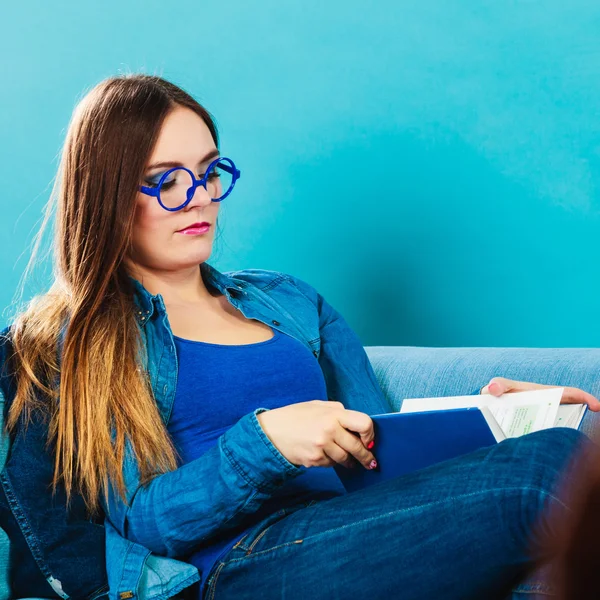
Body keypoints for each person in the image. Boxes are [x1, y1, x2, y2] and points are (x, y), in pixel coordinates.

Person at [0, 73, 598, 600]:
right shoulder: (82, 339)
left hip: (355, 523)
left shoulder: (288, 298)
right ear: (108, 196)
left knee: (564, 452)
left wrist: (487, 418)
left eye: (210, 172)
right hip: (238, 563)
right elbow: (140, 520)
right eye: (168, 182)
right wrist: (266, 445)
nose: (202, 198)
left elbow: (378, 449)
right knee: (548, 471)